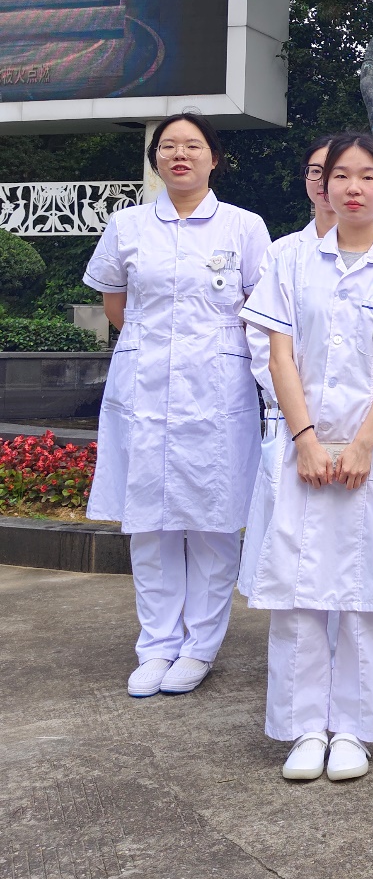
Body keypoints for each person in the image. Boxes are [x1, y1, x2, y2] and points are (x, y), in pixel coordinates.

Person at [241, 133, 373, 782]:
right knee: (300, 593)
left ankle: (355, 730)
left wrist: (362, 444)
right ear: (324, 185)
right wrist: (304, 439)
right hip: (303, 444)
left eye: (368, 176)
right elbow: (279, 354)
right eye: (341, 176)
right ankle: (304, 729)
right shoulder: (291, 261)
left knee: (367, 594)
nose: (353, 187)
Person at [84, 112, 270, 698]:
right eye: (168, 146)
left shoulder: (243, 226)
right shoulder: (127, 224)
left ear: (214, 157)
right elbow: (115, 302)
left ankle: (198, 648)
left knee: (213, 521)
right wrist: (156, 345)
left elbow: (262, 308)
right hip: (143, 389)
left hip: (219, 390)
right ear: (156, 159)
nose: (180, 155)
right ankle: (157, 645)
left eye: (193, 145)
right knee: (150, 523)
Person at [240, 135, 339, 600]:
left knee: (349, 546)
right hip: (290, 416)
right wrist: (292, 398)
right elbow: (262, 340)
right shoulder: (282, 252)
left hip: (360, 419)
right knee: (292, 540)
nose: (326, 182)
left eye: (337, 170)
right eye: (317, 171)